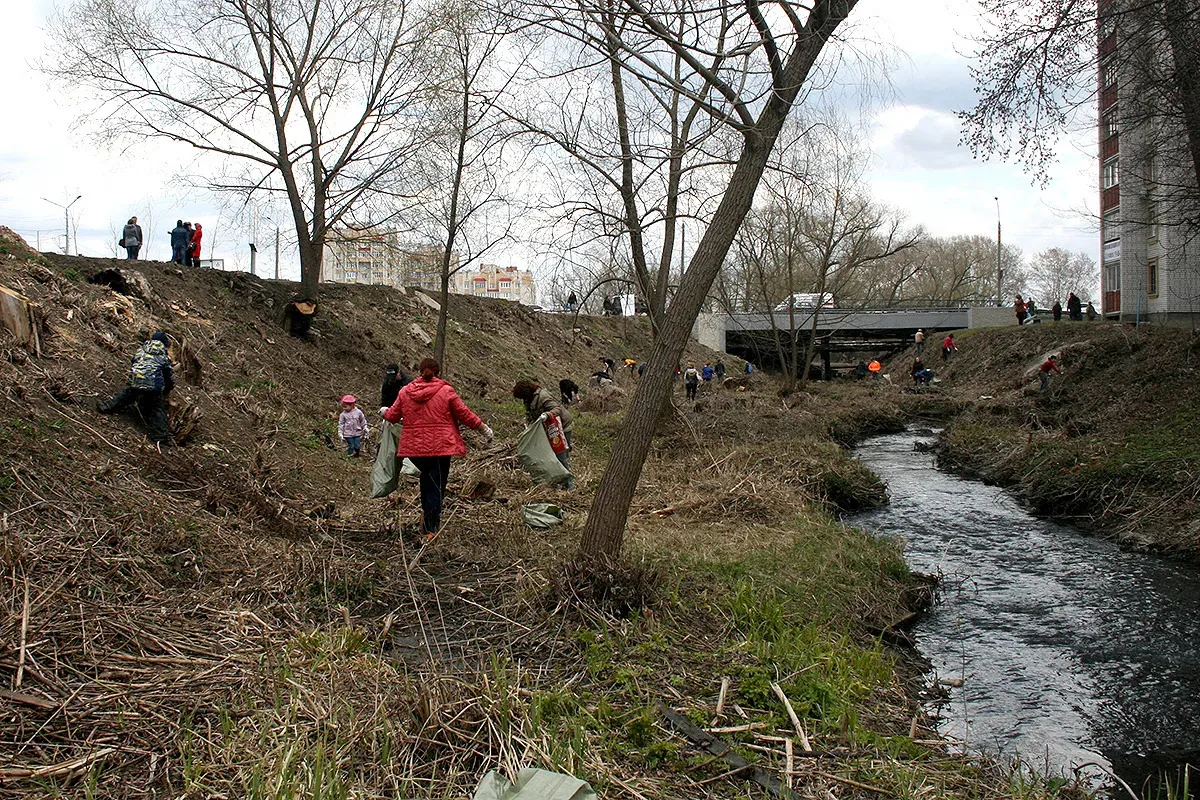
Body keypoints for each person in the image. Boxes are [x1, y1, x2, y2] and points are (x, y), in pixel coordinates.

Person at [383, 358, 492, 539]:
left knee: (427, 480)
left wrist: (384, 411)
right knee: (436, 485)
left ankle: (427, 520)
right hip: (441, 446)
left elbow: (393, 416)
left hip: (415, 448)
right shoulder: (445, 390)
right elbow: (464, 414)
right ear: (438, 372)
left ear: (420, 372)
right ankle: (430, 528)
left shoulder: (405, 392)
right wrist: (484, 429)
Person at [97, 332, 175, 447]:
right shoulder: (163, 357)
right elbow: (167, 374)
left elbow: (134, 362)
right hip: (153, 385)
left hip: (137, 380)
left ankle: (106, 407)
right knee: (157, 408)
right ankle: (160, 437)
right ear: (164, 344)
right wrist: (167, 387)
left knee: (127, 395)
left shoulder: (141, 350)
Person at [513, 380, 574, 490]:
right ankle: (558, 479)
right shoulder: (529, 399)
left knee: (561, 456)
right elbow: (531, 414)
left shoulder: (543, 396)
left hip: (562, 427)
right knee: (555, 455)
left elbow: (557, 409)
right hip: (550, 428)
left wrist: (547, 415)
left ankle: (569, 485)